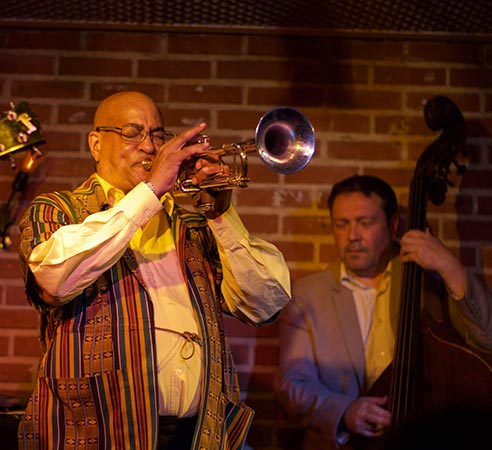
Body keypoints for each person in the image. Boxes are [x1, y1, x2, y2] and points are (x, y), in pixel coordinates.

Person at [17, 90, 291, 450]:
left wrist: (220, 213)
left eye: (158, 135)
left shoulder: (192, 227)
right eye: (133, 133)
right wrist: (151, 191)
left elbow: (264, 302)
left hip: (196, 435)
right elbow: (54, 281)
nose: (149, 147)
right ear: (96, 144)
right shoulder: (58, 210)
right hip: (94, 434)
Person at [276, 174, 492, 450]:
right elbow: (292, 384)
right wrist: (345, 412)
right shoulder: (307, 295)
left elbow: (485, 337)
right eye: (342, 224)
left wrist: (447, 265)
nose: (352, 236)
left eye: (365, 223)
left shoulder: (426, 283)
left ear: (392, 227)